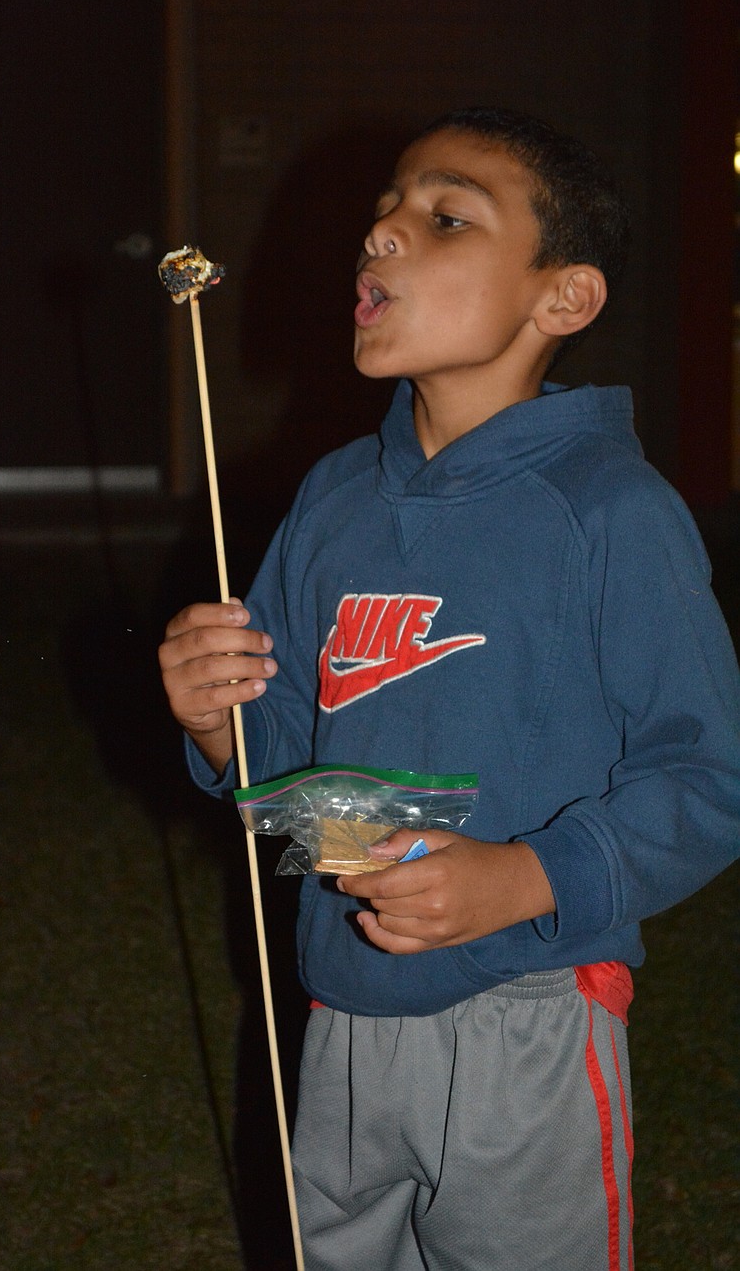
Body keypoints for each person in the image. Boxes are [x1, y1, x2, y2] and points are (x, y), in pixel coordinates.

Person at [158, 107, 740, 1270]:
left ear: (560, 299)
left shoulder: (610, 513)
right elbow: (286, 764)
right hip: (338, 1006)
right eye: (385, 209)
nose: (382, 233)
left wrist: (523, 877)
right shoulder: (330, 500)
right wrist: (219, 726)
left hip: (527, 1008)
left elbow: (709, 776)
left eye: (443, 216)